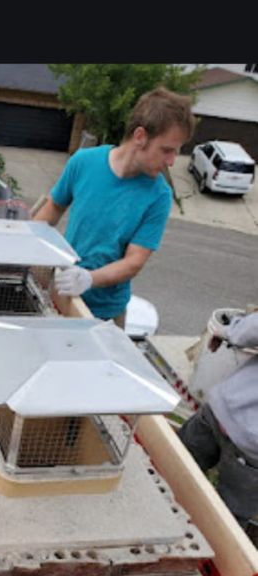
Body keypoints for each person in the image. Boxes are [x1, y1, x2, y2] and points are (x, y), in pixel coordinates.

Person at [33, 87, 196, 328]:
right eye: (167, 150)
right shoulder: (84, 162)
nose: (171, 161)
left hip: (106, 314)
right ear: (140, 136)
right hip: (63, 295)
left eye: (176, 152)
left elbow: (134, 262)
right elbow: (52, 209)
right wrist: (29, 245)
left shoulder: (159, 195)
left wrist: (89, 278)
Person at [178, 311, 258, 531]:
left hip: (225, 411)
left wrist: (228, 330)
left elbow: (248, 332)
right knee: (228, 518)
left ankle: (161, 517)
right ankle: (209, 553)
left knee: (176, 468)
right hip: (252, 454)